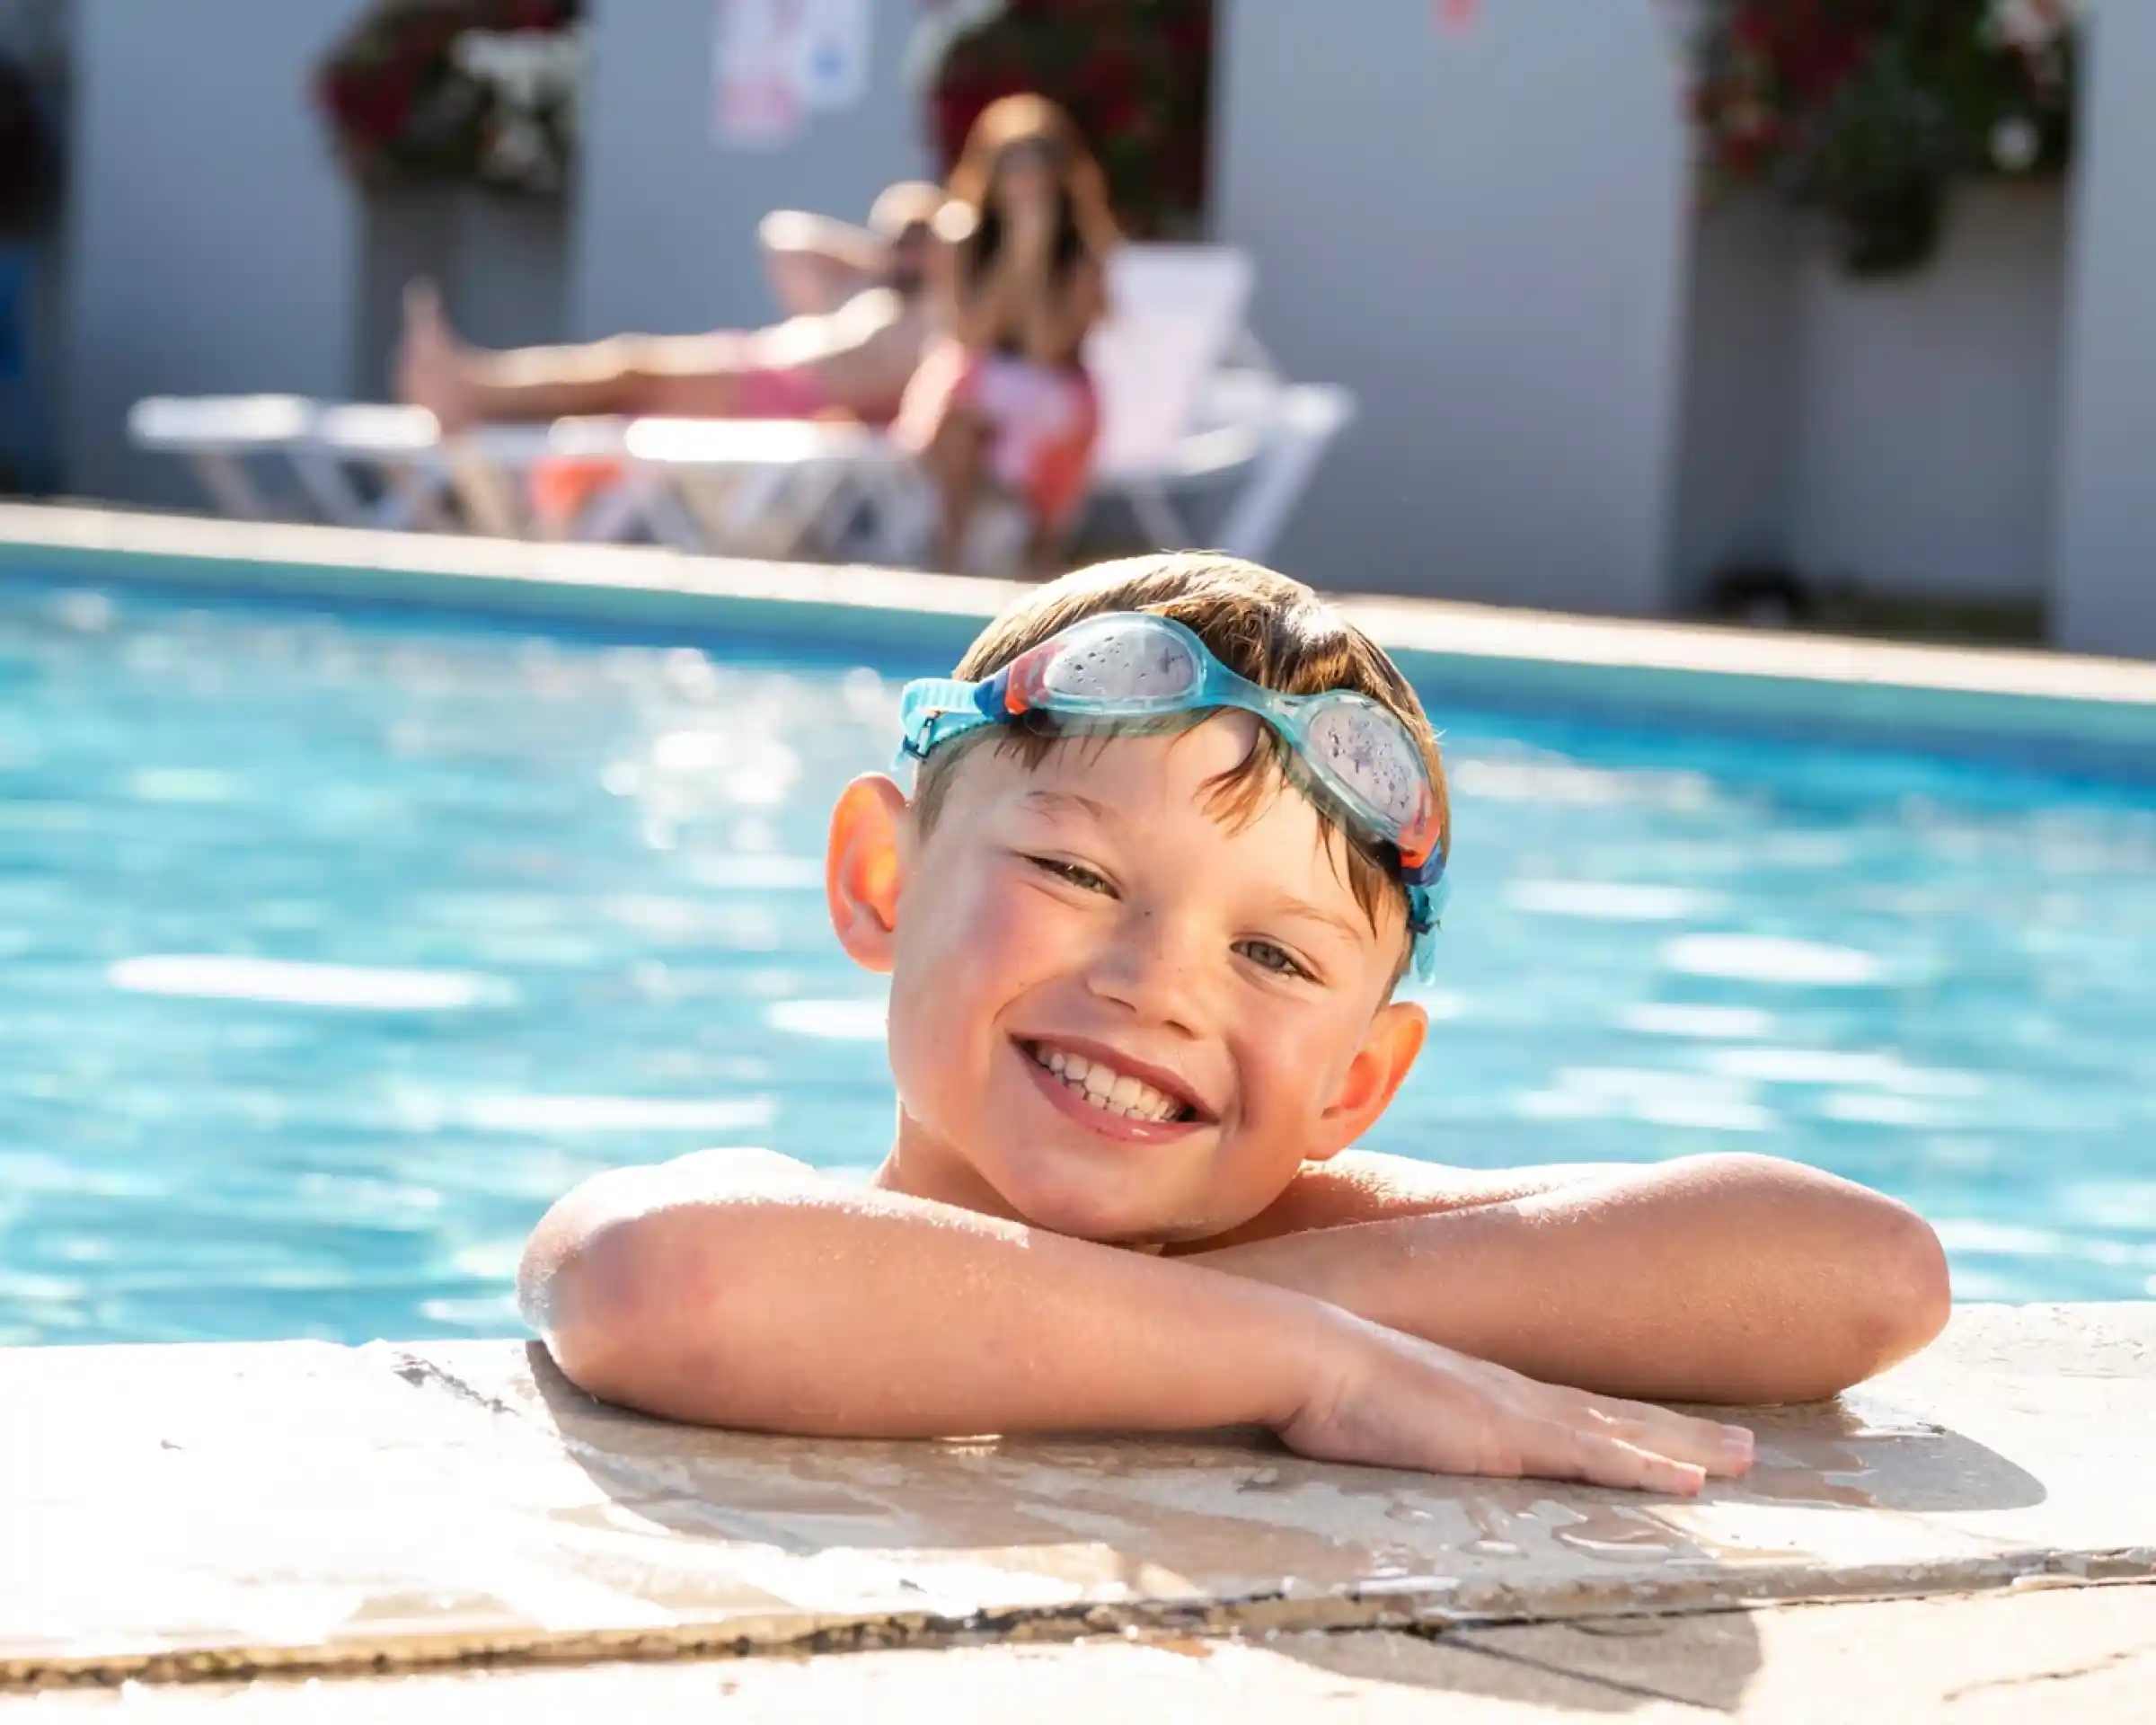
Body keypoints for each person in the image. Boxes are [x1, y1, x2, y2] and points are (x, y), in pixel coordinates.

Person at [519, 552, 1951, 1495]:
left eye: (1271, 951)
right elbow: (657, 1284)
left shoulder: (1312, 1236)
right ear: (880, 880)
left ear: (1356, 1083)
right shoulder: (781, 1217)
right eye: (1076, 874)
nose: (1158, 984)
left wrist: (1300, 1305)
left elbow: (1867, 1270)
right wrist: (1298, 1361)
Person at [394, 181, 946, 432]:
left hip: (779, 393)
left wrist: (937, 249)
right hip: (756, 366)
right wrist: (878, 255)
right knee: (622, 371)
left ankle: (474, 391)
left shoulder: (938, 322)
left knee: (626, 370)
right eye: (899, 235)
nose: (907, 246)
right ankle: (473, 385)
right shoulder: (866, 297)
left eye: (921, 235)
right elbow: (782, 239)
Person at [896, 95, 1118, 574]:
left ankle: (1039, 553)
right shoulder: (963, 237)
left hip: (1054, 387)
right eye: (1012, 170)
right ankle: (949, 558)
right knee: (959, 423)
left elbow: (1044, 347)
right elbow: (970, 334)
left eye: (1036, 170)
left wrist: (1035, 249)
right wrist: (1012, 255)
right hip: (974, 376)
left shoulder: (1081, 252)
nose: (1025, 184)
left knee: (1045, 419)